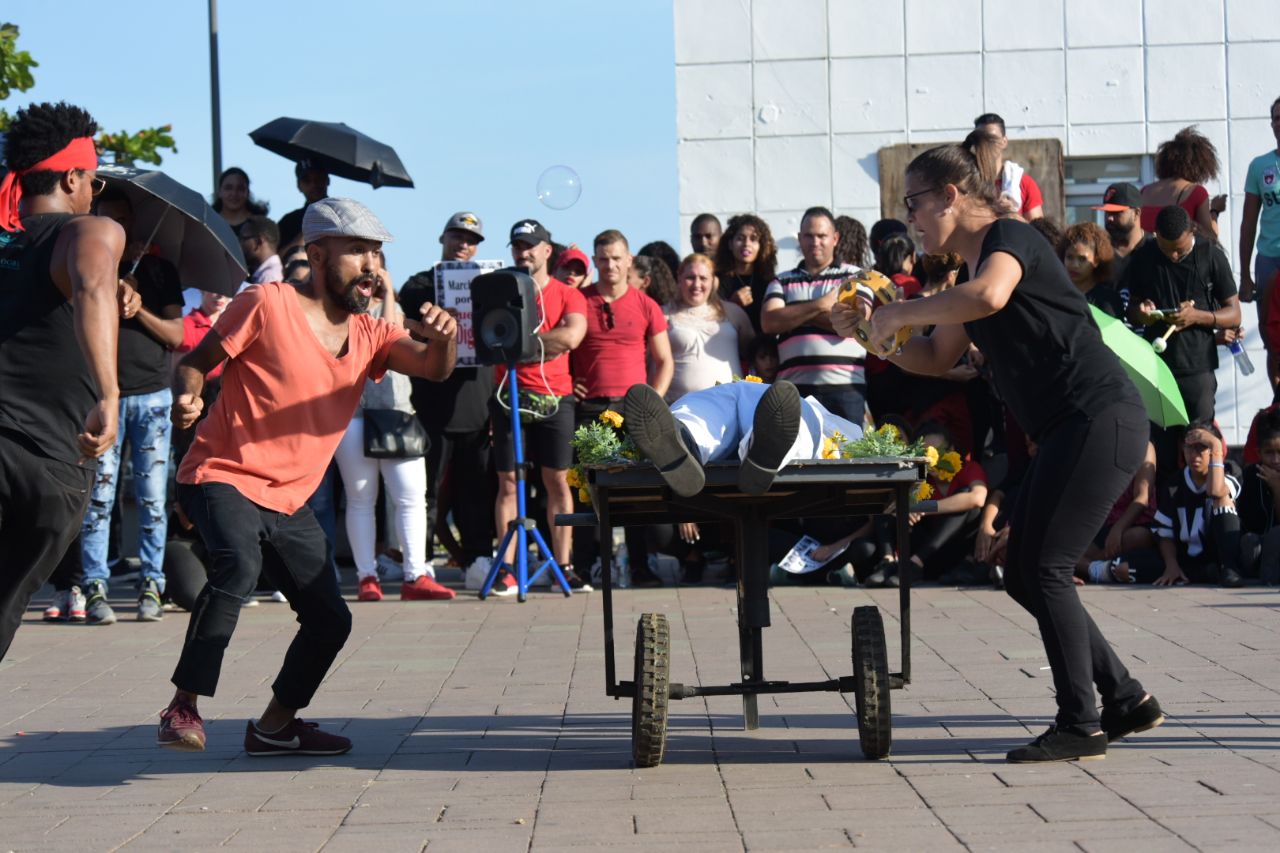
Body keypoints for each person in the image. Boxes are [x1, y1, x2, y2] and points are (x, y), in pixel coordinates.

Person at [833, 136, 1161, 763]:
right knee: (1024, 573)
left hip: (1098, 418)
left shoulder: (1010, 238)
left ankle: (1081, 722)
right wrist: (873, 336)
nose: (910, 219)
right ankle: (1124, 698)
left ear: (950, 196)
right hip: (1068, 430)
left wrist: (900, 311)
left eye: (913, 204)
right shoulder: (965, 276)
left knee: (1045, 569)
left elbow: (990, 296)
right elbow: (935, 356)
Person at [157, 198, 457, 755]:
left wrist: (445, 339)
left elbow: (432, 368)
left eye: (376, 254)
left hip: (289, 500)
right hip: (222, 472)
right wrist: (188, 398)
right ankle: (183, 706)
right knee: (238, 564)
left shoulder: (371, 334)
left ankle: (275, 727)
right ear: (317, 256)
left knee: (330, 619)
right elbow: (196, 363)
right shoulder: (266, 303)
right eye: (357, 251)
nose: (371, 265)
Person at [0, 101, 125, 660]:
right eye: (94, 180)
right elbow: (92, 286)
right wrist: (109, 393)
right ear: (72, 177)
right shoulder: (90, 230)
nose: (94, 192)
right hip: (48, 459)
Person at [78, 189, 186, 625]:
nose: (116, 227)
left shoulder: (159, 270)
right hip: (103, 397)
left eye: (123, 220)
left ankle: (152, 585)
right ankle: (94, 586)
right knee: (99, 498)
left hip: (153, 398)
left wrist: (139, 308)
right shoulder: (84, 265)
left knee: (153, 499)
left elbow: (177, 335)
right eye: (108, 219)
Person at [334, 256, 453, 602]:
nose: (369, 275)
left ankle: (415, 574)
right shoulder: (343, 315)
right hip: (355, 415)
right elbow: (377, 342)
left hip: (398, 413)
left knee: (411, 497)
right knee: (360, 499)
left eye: (376, 269)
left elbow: (389, 333)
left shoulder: (395, 309)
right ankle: (366, 577)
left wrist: (388, 294)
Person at [488, 219, 588, 593]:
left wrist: (522, 345)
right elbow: (488, 335)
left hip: (555, 396)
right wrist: (547, 343)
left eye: (530, 245)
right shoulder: (500, 289)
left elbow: (572, 336)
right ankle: (506, 568)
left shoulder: (567, 293)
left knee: (557, 481)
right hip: (507, 394)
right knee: (508, 483)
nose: (523, 252)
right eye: (517, 246)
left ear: (547, 250)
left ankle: (564, 565)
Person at [571, 229, 674, 582]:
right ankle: (584, 567)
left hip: (632, 410)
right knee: (586, 489)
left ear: (629, 260)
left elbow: (665, 360)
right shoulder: (578, 300)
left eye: (616, 258)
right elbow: (562, 348)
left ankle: (640, 567)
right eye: (603, 259)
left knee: (635, 490)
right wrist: (569, 382)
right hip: (589, 407)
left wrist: (652, 402)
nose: (610, 265)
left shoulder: (646, 304)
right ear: (595, 261)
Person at [399, 212, 496, 574]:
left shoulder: (491, 284)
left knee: (476, 488)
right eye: (457, 236)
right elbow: (409, 326)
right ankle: (421, 561)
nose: (463, 244)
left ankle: (478, 559)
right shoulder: (419, 284)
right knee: (426, 490)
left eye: (471, 240)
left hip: (477, 401)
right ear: (442, 239)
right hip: (432, 403)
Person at [1126, 205, 1240, 480]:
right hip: (1157, 369)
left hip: (1198, 368)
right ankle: (1166, 503)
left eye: (1180, 249)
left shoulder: (1210, 255)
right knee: (1162, 450)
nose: (1174, 256)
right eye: (1167, 250)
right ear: (1156, 235)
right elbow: (1131, 310)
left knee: (1200, 445)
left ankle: (1205, 500)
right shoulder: (1144, 256)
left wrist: (1198, 316)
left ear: (1192, 232)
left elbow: (1234, 313)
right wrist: (1142, 313)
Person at [622, 379, 864, 497]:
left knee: (796, 419)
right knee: (703, 406)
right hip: (738, 390)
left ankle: (761, 451)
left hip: (781, 403)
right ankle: (683, 442)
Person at [760, 206, 867, 423]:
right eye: (809, 236)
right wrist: (822, 305)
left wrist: (794, 315)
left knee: (849, 446)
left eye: (821, 236)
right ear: (800, 238)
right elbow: (770, 322)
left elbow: (853, 323)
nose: (815, 242)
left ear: (835, 238)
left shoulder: (854, 277)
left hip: (845, 389)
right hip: (793, 391)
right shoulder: (781, 280)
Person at [1150, 422, 1243, 588]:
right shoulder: (1173, 483)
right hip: (1186, 558)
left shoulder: (1230, 470)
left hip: (1219, 553)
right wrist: (1171, 565)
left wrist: (1216, 446)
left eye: (1202, 447)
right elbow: (1164, 533)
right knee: (1127, 568)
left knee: (1222, 499)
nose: (1194, 455)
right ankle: (1203, 573)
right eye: (1189, 447)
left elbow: (1216, 490)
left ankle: (1229, 567)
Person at [663, 253, 754, 402]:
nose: (697, 284)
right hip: (678, 405)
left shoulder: (733, 312)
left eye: (703, 278)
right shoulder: (663, 314)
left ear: (713, 281)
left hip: (729, 404)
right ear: (679, 278)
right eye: (690, 277)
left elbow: (753, 355)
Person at [1239, 96, 1280, 391]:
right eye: (1277, 118)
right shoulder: (1260, 165)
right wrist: (1244, 276)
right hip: (1269, 259)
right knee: (1273, 340)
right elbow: (1248, 223)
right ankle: (1277, 402)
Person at [1140, 127, 1226, 239]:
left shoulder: (1144, 191)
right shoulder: (1196, 192)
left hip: (1145, 249)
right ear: (1201, 165)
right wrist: (1215, 211)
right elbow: (1210, 237)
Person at [714, 213, 778, 335]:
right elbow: (710, 317)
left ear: (761, 246)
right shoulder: (717, 280)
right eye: (740, 238)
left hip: (763, 345)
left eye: (753, 239)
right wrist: (732, 304)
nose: (746, 244)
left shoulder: (770, 281)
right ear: (730, 244)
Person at [971, 113, 1044, 220]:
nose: (986, 145)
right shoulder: (965, 184)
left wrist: (1013, 215)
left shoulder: (1024, 183)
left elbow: (1038, 229)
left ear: (1004, 142)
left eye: (992, 139)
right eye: (980, 140)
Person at [1057, 222, 1124, 319]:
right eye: (1069, 257)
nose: (1074, 265)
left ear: (1096, 261)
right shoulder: (1055, 295)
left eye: (1082, 259)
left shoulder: (1108, 300)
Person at [1093, 183, 1147, 293]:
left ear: (1136, 213)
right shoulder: (1097, 250)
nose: (1110, 218)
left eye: (1116, 213)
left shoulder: (1154, 248)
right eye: (1107, 213)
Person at [277, 160, 330, 250]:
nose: (313, 184)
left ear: (327, 180)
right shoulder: (289, 221)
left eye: (318, 178)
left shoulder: (343, 214)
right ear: (299, 186)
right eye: (307, 180)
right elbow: (276, 256)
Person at [211, 167, 268, 236]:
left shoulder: (261, 225)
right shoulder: (209, 223)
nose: (234, 193)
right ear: (219, 192)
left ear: (248, 193)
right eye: (228, 188)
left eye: (240, 188)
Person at [238, 215, 283, 287]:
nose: (239, 243)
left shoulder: (269, 277)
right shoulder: (263, 274)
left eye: (243, 238)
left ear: (258, 242)